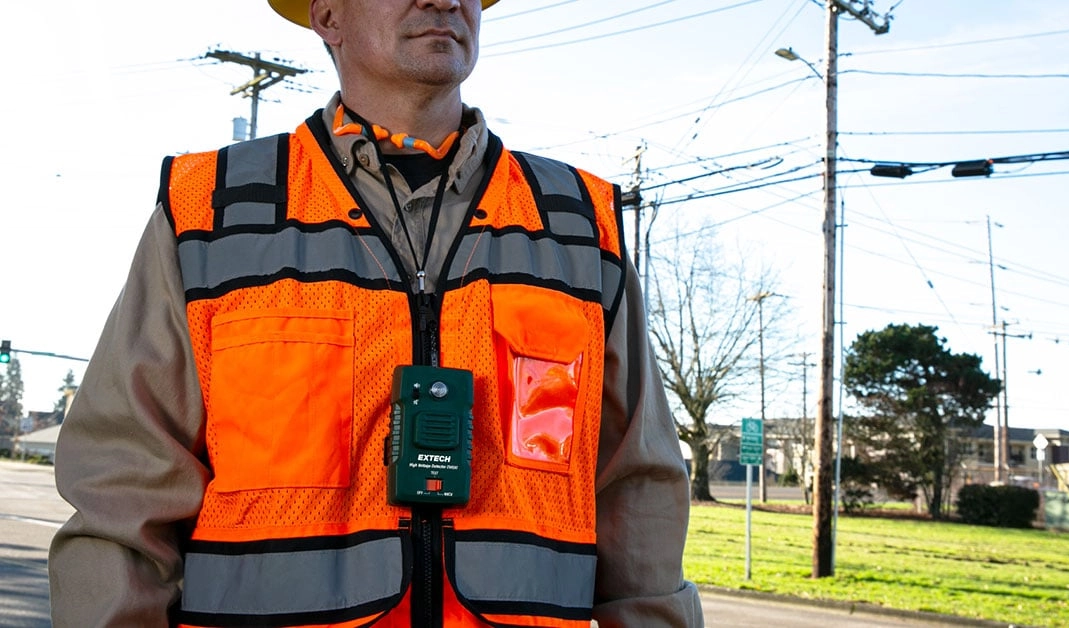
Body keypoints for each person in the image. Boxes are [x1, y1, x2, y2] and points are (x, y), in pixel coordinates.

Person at [47, 0, 704, 626]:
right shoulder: (210, 217)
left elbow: (638, 495)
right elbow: (122, 497)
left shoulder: (578, 229)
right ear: (328, 15)